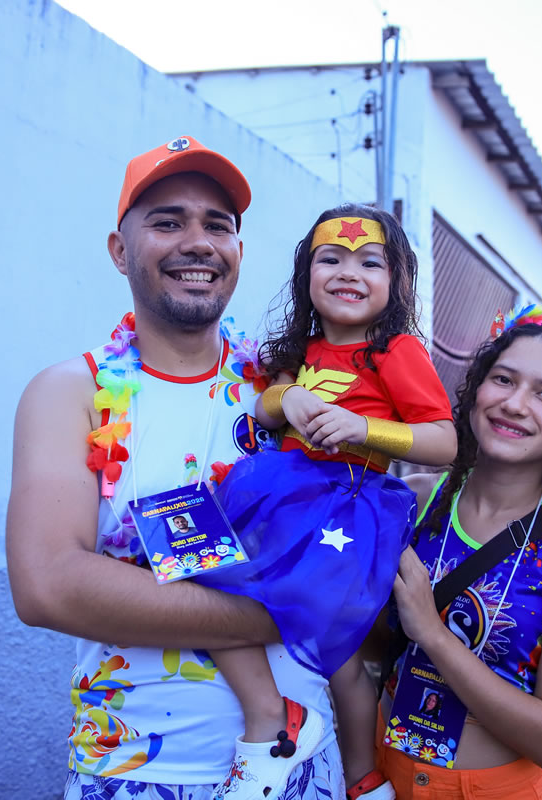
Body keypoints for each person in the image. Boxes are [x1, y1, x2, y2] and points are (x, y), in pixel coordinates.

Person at [5, 135, 344, 799]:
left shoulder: (291, 387)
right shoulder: (70, 392)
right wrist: (285, 611)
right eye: (167, 222)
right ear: (119, 250)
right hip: (137, 773)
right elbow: (47, 585)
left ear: (239, 250)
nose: (198, 243)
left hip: (303, 771)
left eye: (218, 225)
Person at [195, 204, 456, 800]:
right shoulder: (298, 349)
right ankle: (318, 746)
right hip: (278, 501)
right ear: (306, 274)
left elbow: (445, 442)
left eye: (370, 262)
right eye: (331, 258)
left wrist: (364, 429)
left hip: (344, 508)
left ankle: (346, 767)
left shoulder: (397, 352)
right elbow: (263, 408)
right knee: (200, 570)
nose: (349, 273)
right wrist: (284, 399)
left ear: (397, 281)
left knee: (329, 649)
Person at [382, 313, 542, 799]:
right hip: (382, 774)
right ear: (477, 389)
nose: (515, 405)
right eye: (503, 379)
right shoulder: (413, 502)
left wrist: (433, 633)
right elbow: (367, 642)